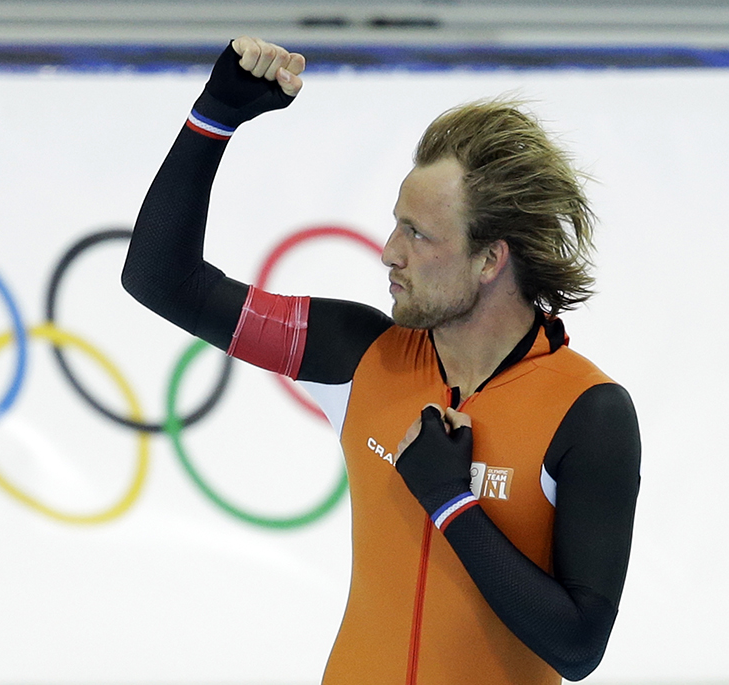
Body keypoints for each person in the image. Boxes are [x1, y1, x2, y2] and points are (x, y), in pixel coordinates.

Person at [122, 36, 640, 685]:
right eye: (396, 223)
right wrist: (215, 116)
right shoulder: (358, 351)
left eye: (417, 233)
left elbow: (578, 646)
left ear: (490, 259)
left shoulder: (588, 412)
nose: (389, 250)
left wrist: (449, 499)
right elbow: (160, 279)